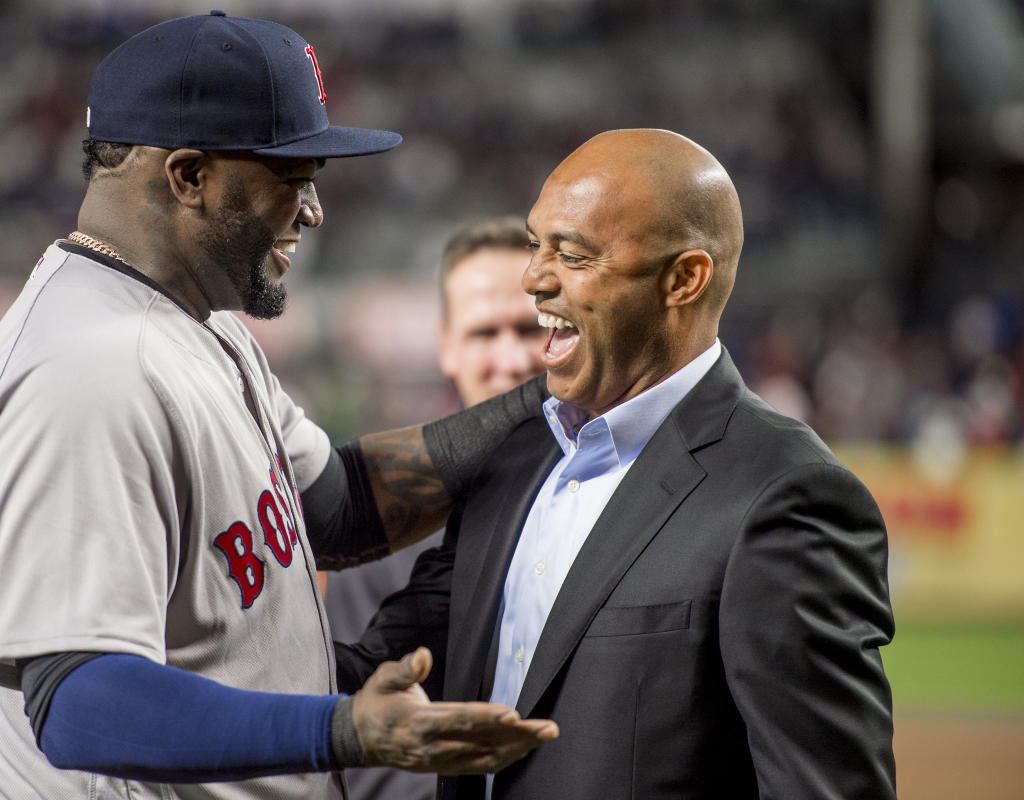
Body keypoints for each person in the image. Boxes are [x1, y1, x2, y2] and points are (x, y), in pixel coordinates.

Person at [0, 13, 556, 800]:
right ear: (188, 175)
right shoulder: (86, 373)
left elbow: (341, 506)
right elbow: (78, 702)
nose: (313, 209)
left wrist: (554, 394)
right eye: (291, 178)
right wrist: (345, 731)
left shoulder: (192, 320)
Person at [335, 129, 897, 799]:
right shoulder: (516, 458)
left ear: (684, 279)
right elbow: (367, 667)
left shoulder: (785, 495)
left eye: (571, 254)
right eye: (536, 244)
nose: (534, 279)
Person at [325, 216, 545, 800]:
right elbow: (361, 737)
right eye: (484, 333)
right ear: (446, 344)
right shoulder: (380, 527)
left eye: (532, 327)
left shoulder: (621, 498)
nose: (513, 357)